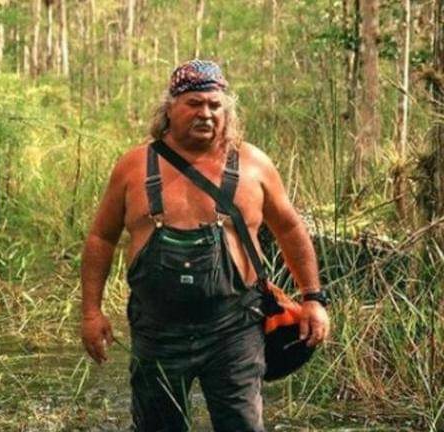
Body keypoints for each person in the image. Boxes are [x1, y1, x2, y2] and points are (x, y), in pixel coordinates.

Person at [80, 60, 330, 431]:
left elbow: (291, 229)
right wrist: (91, 312)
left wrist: (313, 298)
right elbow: (101, 238)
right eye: (194, 103)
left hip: (235, 327)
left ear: (227, 111)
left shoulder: (254, 164)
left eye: (215, 105)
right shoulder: (134, 166)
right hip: (157, 329)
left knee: (242, 425)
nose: (206, 113)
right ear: (169, 108)